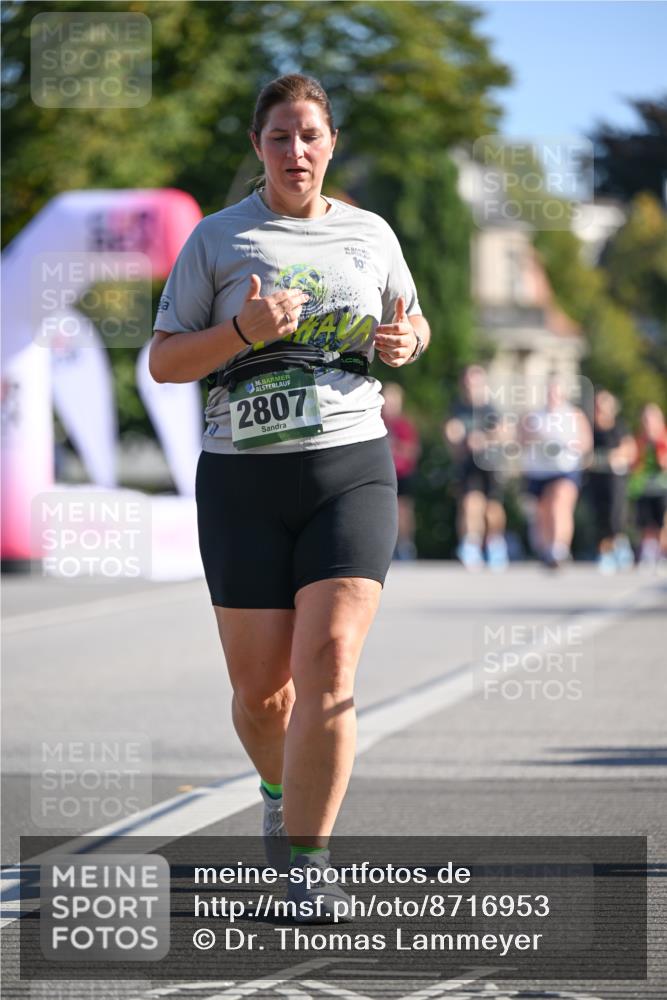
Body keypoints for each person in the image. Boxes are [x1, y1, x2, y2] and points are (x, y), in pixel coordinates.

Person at [149, 74, 430, 919]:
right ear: (257, 147)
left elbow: (411, 322)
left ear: (331, 143)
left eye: (310, 135)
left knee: (331, 667)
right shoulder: (217, 239)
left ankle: (306, 862)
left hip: (351, 464)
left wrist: (406, 340)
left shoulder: (369, 233)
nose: (296, 152)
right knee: (262, 693)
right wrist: (243, 331)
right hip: (243, 478)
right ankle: (277, 787)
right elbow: (163, 362)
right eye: (279, 137)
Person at [521, 375, 592, 569]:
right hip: (539, 471)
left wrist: (568, 445)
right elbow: (520, 440)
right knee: (543, 511)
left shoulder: (574, 415)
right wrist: (536, 438)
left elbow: (586, 442)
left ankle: (559, 548)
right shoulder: (534, 416)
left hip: (565, 469)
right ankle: (546, 549)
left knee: (559, 503)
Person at [443, 365, 509, 571]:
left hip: (490, 464)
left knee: (492, 509)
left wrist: (484, 439)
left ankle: (494, 542)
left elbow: (505, 434)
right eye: (468, 383)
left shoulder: (491, 409)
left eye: (475, 383)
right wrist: (454, 437)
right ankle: (470, 545)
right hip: (468, 463)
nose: (471, 387)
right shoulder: (458, 408)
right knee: (470, 503)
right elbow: (450, 432)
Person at [586, 389, 636, 573]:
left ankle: (620, 548)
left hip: (615, 479)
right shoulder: (590, 429)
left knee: (616, 515)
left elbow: (629, 450)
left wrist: (612, 456)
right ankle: (605, 553)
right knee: (600, 517)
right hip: (595, 479)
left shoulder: (619, 427)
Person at [381, 382, 421, 559]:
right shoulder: (376, 421)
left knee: (403, 510)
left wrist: (395, 448)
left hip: (402, 473)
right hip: (381, 473)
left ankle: (405, 545)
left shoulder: (404, 424)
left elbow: (412, 450)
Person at [628, 403, 667, 567]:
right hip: (643, 488)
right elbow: (633, 463)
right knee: (645, 523)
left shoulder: (663, 439)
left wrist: (657, 445)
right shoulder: (638, 440)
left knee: (662, 522)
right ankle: (647, 553)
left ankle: (662, 552)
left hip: (662, 487)